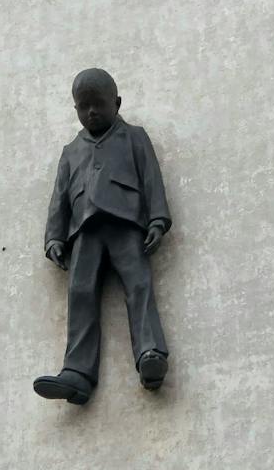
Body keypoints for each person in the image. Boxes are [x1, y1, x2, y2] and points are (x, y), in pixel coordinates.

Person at [34, 68, 171, 405]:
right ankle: (77, 373)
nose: (91, 112)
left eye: (98, 104)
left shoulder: (134, 137)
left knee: (138, 284)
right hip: (84, 230)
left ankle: (151, 353)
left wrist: (157, 218)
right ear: (75, 109)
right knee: (80, 291)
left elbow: (151, 177)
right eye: (84, 107)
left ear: (117, 103)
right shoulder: (71, 151)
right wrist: (54, 237)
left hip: (125, 222)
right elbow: (59, 198)